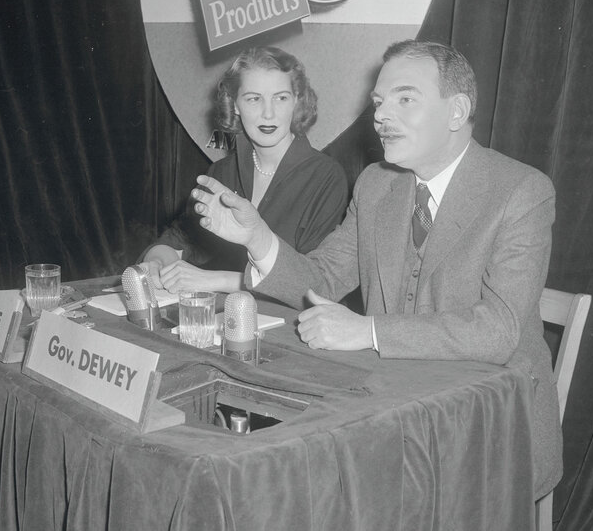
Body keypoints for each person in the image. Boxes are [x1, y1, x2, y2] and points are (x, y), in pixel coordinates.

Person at [190, 40, 562, 498]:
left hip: (491, 427)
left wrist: (367, 332)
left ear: (456, 110)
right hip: (394, 414)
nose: (382, 116)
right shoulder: (375, 183)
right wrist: (257, 238)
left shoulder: (520, 190)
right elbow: (323, 279)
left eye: (405, 99)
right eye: (379, 103)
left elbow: (499, 330)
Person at [140, 46, 348, 293]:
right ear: (235, 104)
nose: (268, 113)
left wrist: (212, 280)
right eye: (253, 98)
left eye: (280, 97)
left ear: (297, 101)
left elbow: (312, 282)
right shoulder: (221, 172)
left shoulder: (326, 176)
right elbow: (182, 238)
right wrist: (157, 262)